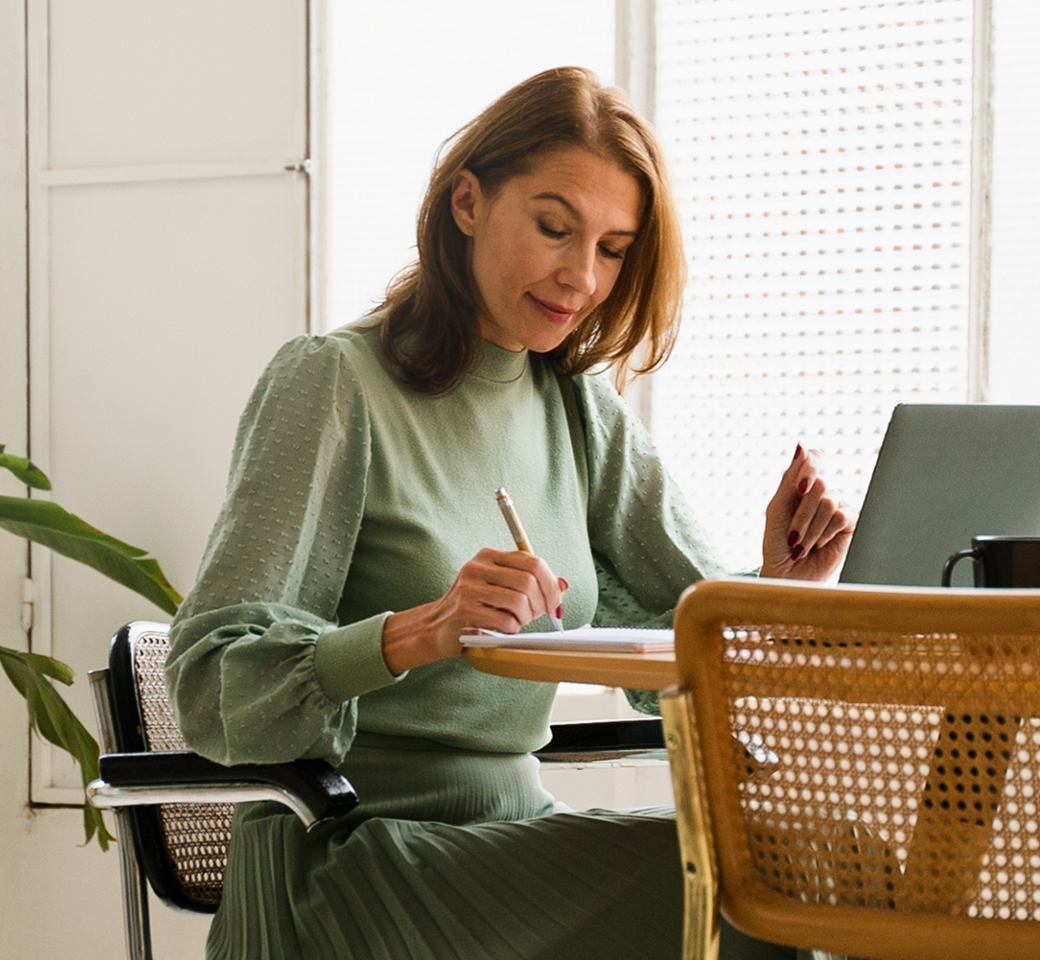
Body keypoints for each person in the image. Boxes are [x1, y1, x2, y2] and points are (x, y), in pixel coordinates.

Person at [166, 66, 855, 960]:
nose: (582, 275)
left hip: (509, 835)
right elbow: (211, 683)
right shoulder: (333, 383)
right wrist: (418, 632)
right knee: (748, 894)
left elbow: (688, 626)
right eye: (553, 227)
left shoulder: (576, 409)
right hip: (351, 857)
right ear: (467, 204)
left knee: (827, 867)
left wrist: (779, 590)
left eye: (613, 248)